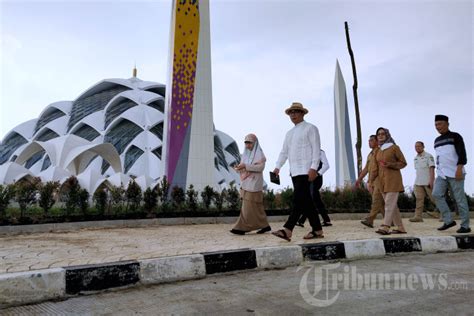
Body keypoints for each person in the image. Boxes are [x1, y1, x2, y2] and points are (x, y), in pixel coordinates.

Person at [271, 102, 324, 241]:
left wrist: (314, 167)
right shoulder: (289, 133)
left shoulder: (311, 128)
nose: (293, 114)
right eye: (291, 112)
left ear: (302, 113)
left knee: (298, 200)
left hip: (306, 170)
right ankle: (317, 229)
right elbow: (284, 152)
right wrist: (277, 167)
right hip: (294, 172)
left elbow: (316, 149)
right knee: (306, 202)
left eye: (296, 112)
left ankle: (288, 229)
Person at [432, 115, 470, 233]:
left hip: (455, 172)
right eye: (436, 125)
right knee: (436, 194)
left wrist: (459, 168)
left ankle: (465, 225)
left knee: (459, 199)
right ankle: (448, 220)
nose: (438, 127)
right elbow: (439, 157)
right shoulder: (437, 141)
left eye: (440, 124)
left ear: (447, 124)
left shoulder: (455, 136)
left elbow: (462, 153)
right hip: (441, 174)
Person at [231, 133, 271, 235]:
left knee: (248, 207)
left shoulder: (260, 155)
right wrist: (238, 168)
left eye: (249, 143)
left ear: (255, 143)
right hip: (246, 184)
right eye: (246, 143)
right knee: (256, 208)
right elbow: (244, 168)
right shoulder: (245, 155)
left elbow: (260, 168)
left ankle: (242, 227)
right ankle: (265, 225)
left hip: (254, 184)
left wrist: (246, 166)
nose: (247, 145)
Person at [369, 127, 407, 235]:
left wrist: (390, 165)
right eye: (378, 134)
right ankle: (400, 227)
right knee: (392, 205)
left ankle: (386, 226)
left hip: (393, 180)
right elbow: (375, 168)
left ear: (387, 135)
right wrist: (370, 181)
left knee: (389, 204)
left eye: (382, 134)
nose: (380, 136)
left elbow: (403, 163)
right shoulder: (377, 151)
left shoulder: (394, 148)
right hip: (381, 182)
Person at [296, 149, 332, 227]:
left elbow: (326, 165)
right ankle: (302, 220)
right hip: (308, 179)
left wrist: (317, 173)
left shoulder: (320, 152)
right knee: (311, 199)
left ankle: (302, 220)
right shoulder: (306, 152)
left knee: (313, 198)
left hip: (316, 179)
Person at [356, 135, 385, 228]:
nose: (369, 142)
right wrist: (359, 178)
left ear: (377, 141)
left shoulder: (380, 152)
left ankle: (370, 220)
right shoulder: (370, 154)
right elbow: (366, 168)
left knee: (376, 200)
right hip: (372, 180)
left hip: (379, 180)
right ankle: (390, 220)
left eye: (371, 140)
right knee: (379, 202)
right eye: (369, 141)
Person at [410, 141, 438, 222]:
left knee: (434, 199)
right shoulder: (415, 158)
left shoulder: (428, 156)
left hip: (428, 181)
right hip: (418, 182)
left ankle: (444, 215)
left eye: (419, 146)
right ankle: (418, 216)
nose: (417, 148)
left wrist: (431, 181)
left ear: (423, 147)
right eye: (416, 146)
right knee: (419, 199)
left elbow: (432, 168)